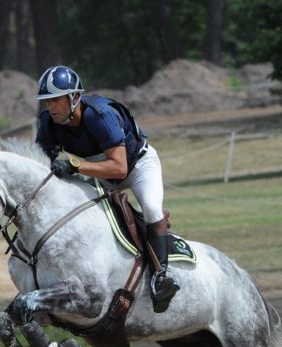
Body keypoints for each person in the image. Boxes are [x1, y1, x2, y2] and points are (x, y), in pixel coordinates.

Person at [34, 65, 179, 313]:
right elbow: (41, 165)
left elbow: (119, 168)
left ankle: (161, 276)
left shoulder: (99, 115)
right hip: (100, 174)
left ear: (74, 97)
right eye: (47, 102)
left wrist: (76, 165)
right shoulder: (49, 122)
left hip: (137, 167)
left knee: (152, 208)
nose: (51, 107)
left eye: (56, 100)